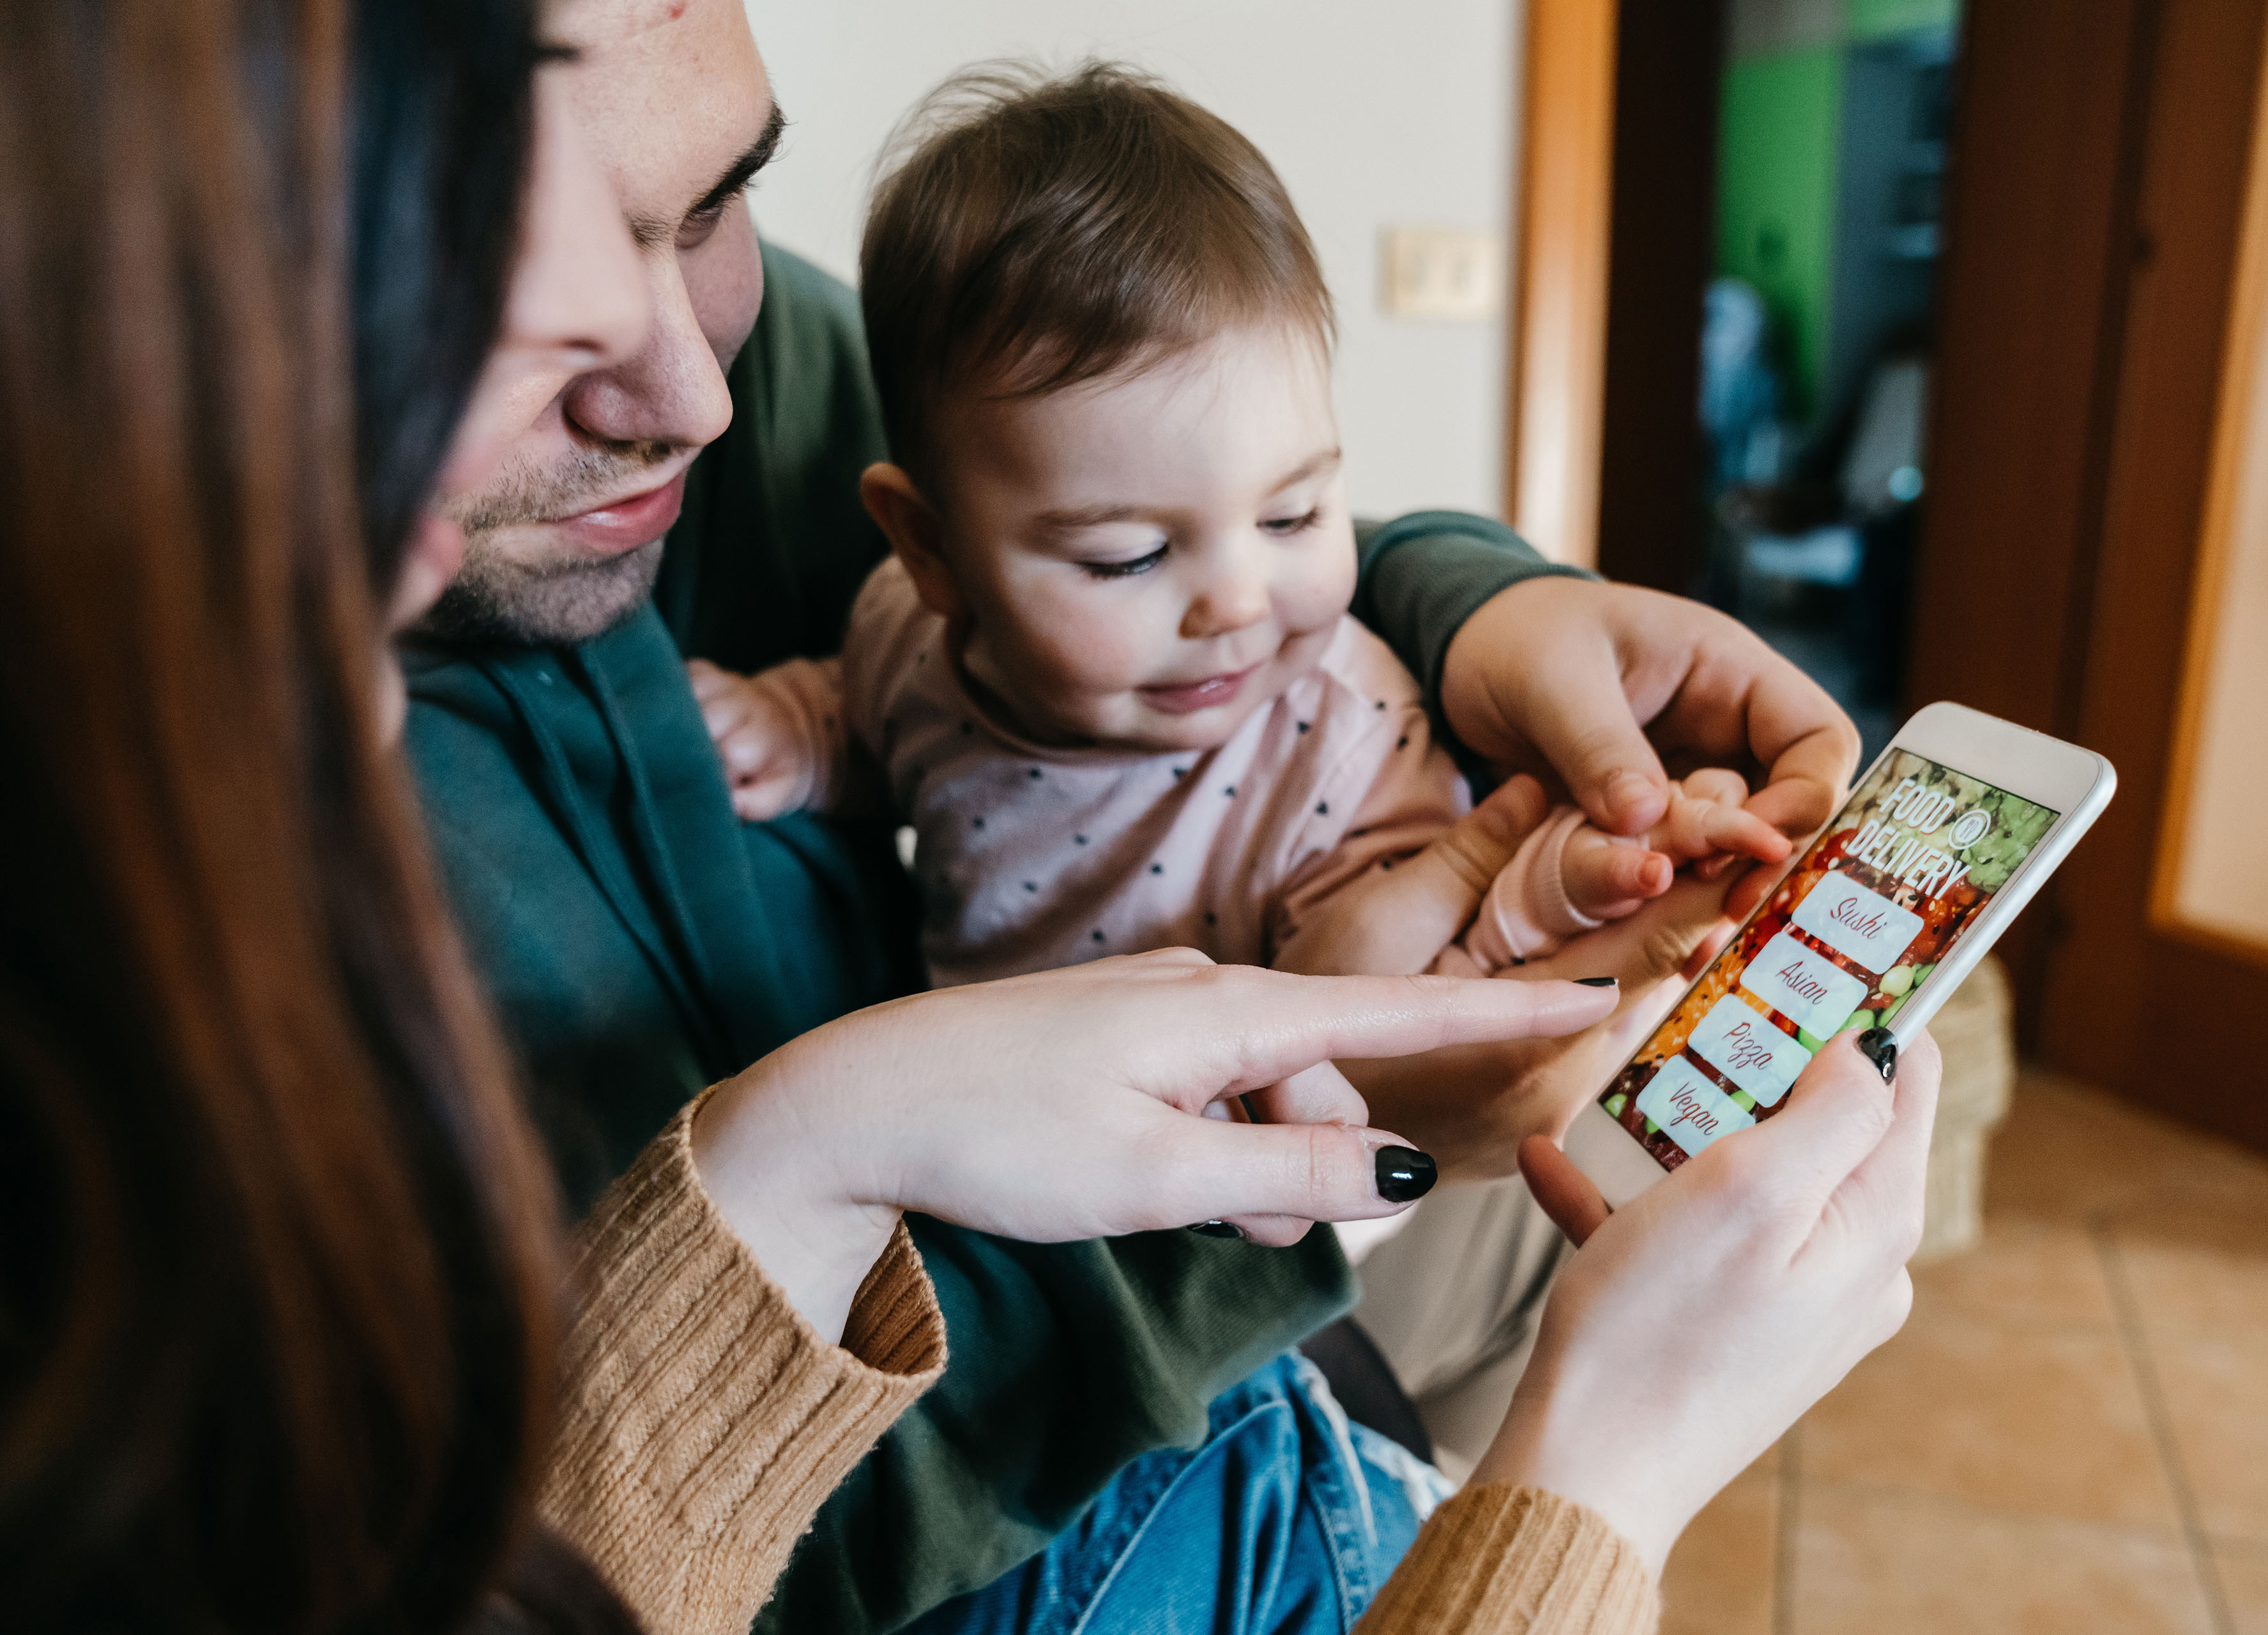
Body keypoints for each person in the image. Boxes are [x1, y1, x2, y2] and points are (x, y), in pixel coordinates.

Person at [0, 4, 1942, 1632]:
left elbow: (1183, 475)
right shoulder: (163, 974)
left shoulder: (724, 398)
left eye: (714, 204)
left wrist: (1470, 594)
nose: (692, 393)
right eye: (499, 317)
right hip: (1028, 1395)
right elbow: (777, 1550)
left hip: (1160, 1237)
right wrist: (1588, 1483)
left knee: (1612, 1181)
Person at [689, 66, 1791, 992]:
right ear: (931, 551)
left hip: (1254, 1193)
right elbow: (874, 732)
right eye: (1130, 556)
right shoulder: (903, 634)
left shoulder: (1344, 736)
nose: (1240, 603)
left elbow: (1412, 953)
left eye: (1293, 513)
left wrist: (1558, 873)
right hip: (996, 1169)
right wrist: (794, 730)